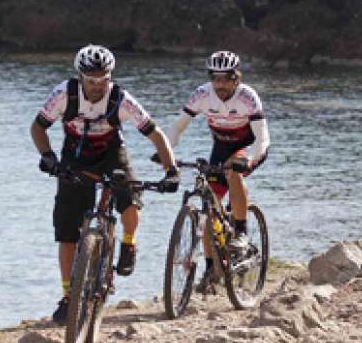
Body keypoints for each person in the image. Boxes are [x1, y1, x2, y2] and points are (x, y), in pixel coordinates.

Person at [31, 43, 178, 325]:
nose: (97, 86)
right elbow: (37, 127)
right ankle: (67, 296)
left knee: (131, 197)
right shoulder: (64, 94)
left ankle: (128, 243)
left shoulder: (122, 99)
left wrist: (171, 169)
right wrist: (47, 156)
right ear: (80, 77)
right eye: (91, 80)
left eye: (103, 80)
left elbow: (156, 134)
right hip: (75, 156)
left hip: (112, 152)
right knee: (66, 232)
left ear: (110, 76)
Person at [166, 50, 270, 292]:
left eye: (226, 78)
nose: (220, 84)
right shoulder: (202, 95)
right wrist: (166, 152)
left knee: (233, 171)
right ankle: (212, 269)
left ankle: (242, 232)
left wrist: (249, 159)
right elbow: (177, 127)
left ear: (237, 78)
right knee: (210, 210)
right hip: (221, 148)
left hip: (250, 146)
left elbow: (262, 139)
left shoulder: (247, 97)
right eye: (216, 78)